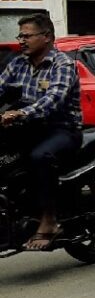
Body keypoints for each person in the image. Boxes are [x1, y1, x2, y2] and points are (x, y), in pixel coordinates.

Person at [0, 13, 83, 251]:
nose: (22, 40)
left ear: (46, 37)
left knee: (39, 157)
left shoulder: (62, 64)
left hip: (63, 130)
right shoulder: (18, 63)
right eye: (20, 36)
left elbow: (54, 98)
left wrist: (21, 113)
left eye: (27, 36)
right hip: (31, 129)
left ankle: (49, 221)